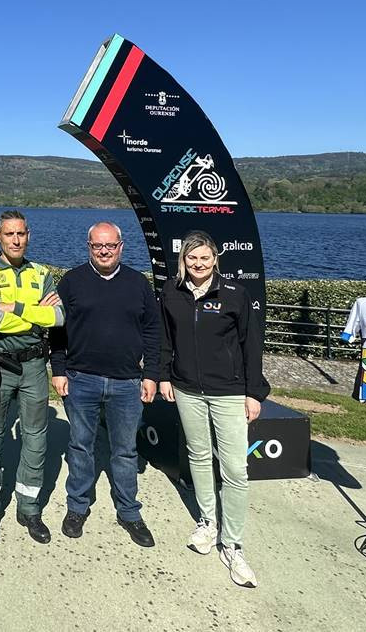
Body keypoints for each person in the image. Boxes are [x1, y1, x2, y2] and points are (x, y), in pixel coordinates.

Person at [159, 230, 269, 588]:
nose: (198, 264)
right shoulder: (171, 293)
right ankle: (208, 522)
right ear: (183, 261)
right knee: (199, 456)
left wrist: (254, 393)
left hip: (229, 392)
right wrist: (163, 377)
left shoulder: (235, 293)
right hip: (187, 389)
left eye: (204, 258)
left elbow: (251, 347)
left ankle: (232, 544)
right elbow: (165, 340)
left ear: (215, 258)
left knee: (235, 468)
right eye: (192, 258)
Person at [49, 222, 161, 548]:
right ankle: (77, 507)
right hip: (81, 379)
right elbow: (57, 330)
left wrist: (151, 374)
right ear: (88, 246)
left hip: (127, 383)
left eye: (110, 245)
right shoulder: (71, 281)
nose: (104, 251)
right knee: (80, 447)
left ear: (121, 247)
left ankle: (129, 512)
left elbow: (153, 331)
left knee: (125, 452)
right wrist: (58, 370)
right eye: (98, 245)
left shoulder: (138, 283)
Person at [0, 210, 63, 545]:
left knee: (36, 438)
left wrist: (18, 309)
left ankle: (29, 508)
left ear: (28, 235)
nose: (15, 240)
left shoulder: (42, 273)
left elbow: (58, 316)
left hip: (35, 367)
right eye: (9, 234)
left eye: (20, 234)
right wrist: (37, 315)